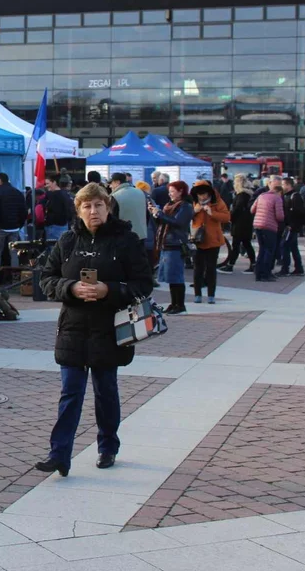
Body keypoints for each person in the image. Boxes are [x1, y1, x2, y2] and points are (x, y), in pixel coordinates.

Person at [33, 183, 152, 476]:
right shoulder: (68, 240)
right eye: (86, 206)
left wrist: (107, 290)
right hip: (73, 328)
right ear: (78, 209)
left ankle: (108, 446)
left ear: (108, 206)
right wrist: (70, 287)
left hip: (110, 329)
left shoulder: (126, 240)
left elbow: (143, 285)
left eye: (98, 205)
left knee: (105, 391)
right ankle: (59, 454)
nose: (93, 211)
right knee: (70, 393)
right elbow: (46, 278)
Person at [151, 180, 193, 314]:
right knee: (170, 277)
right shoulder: (170, 205)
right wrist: (155, 213)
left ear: (181, 191)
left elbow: (178, 222)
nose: (170, 195)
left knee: (176, 277)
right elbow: (163, 223)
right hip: (166, 243)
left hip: (176, 244)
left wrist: (160, 214)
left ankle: (180, 305)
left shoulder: (185, 206)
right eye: (169, 192)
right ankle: (173, 303)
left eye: (173, 192)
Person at [189, 180, 230, 304]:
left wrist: (212, 213)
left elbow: (227, 217)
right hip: (197, 239)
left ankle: (211, 295)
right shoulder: (193, 203)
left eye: (205, 194)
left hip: (213, 239)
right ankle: (197, 294)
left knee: (211, 268)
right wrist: (194, 211)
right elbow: (184, 217)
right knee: (198, 268)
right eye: (200, 195)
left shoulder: (217, 201)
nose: (202, 197)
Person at [0, 173, 27, 280]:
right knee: (14, 253)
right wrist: (19, 225)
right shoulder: (18, 193)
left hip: (0, 228)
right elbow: (23, 211)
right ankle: (15, 279)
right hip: (14, 228)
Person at [219, 174, 256, 275]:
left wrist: (229, 217)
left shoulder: (242, 195)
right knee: (246, 244)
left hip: (240, 223)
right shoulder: (248, 194)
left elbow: (237, 209)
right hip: (246, 222)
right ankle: (253, 264)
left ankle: (230, 265)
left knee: (236, 244)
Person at [251, 176, 286, 282]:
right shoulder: (277, 198)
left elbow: (252, 210)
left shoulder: (261, 195)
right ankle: (266, 274)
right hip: (269, 226)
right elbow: (280, 216)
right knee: (269, 250)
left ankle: (258, 273)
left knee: (262, 249)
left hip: (258, 225)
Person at [277, 177, 305, 276]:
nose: (282, 186)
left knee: (284, 245)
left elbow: (299, 212)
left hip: (291, 226)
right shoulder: (286, 196)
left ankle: (285, 269)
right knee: (293, 247)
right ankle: (299, 268)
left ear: (288, 185)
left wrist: (292, 225)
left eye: (283, 184)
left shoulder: (295, 196)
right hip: (289, 225)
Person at [110, 172, 147, 237]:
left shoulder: (115, 196)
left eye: (111, 183)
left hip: (123, 237)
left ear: (117, 182)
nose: (110, 186)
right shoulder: (140, 192)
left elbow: (112, 219)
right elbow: (147, 215)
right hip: (141, 235)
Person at [42, 173, 76, 242]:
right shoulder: (65, 194)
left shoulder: (54, 195)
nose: (46, 186)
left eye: (48, 183)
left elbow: (55, 212)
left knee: (54, 248)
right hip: (63, 225)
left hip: (54, 227)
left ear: (54, 182)